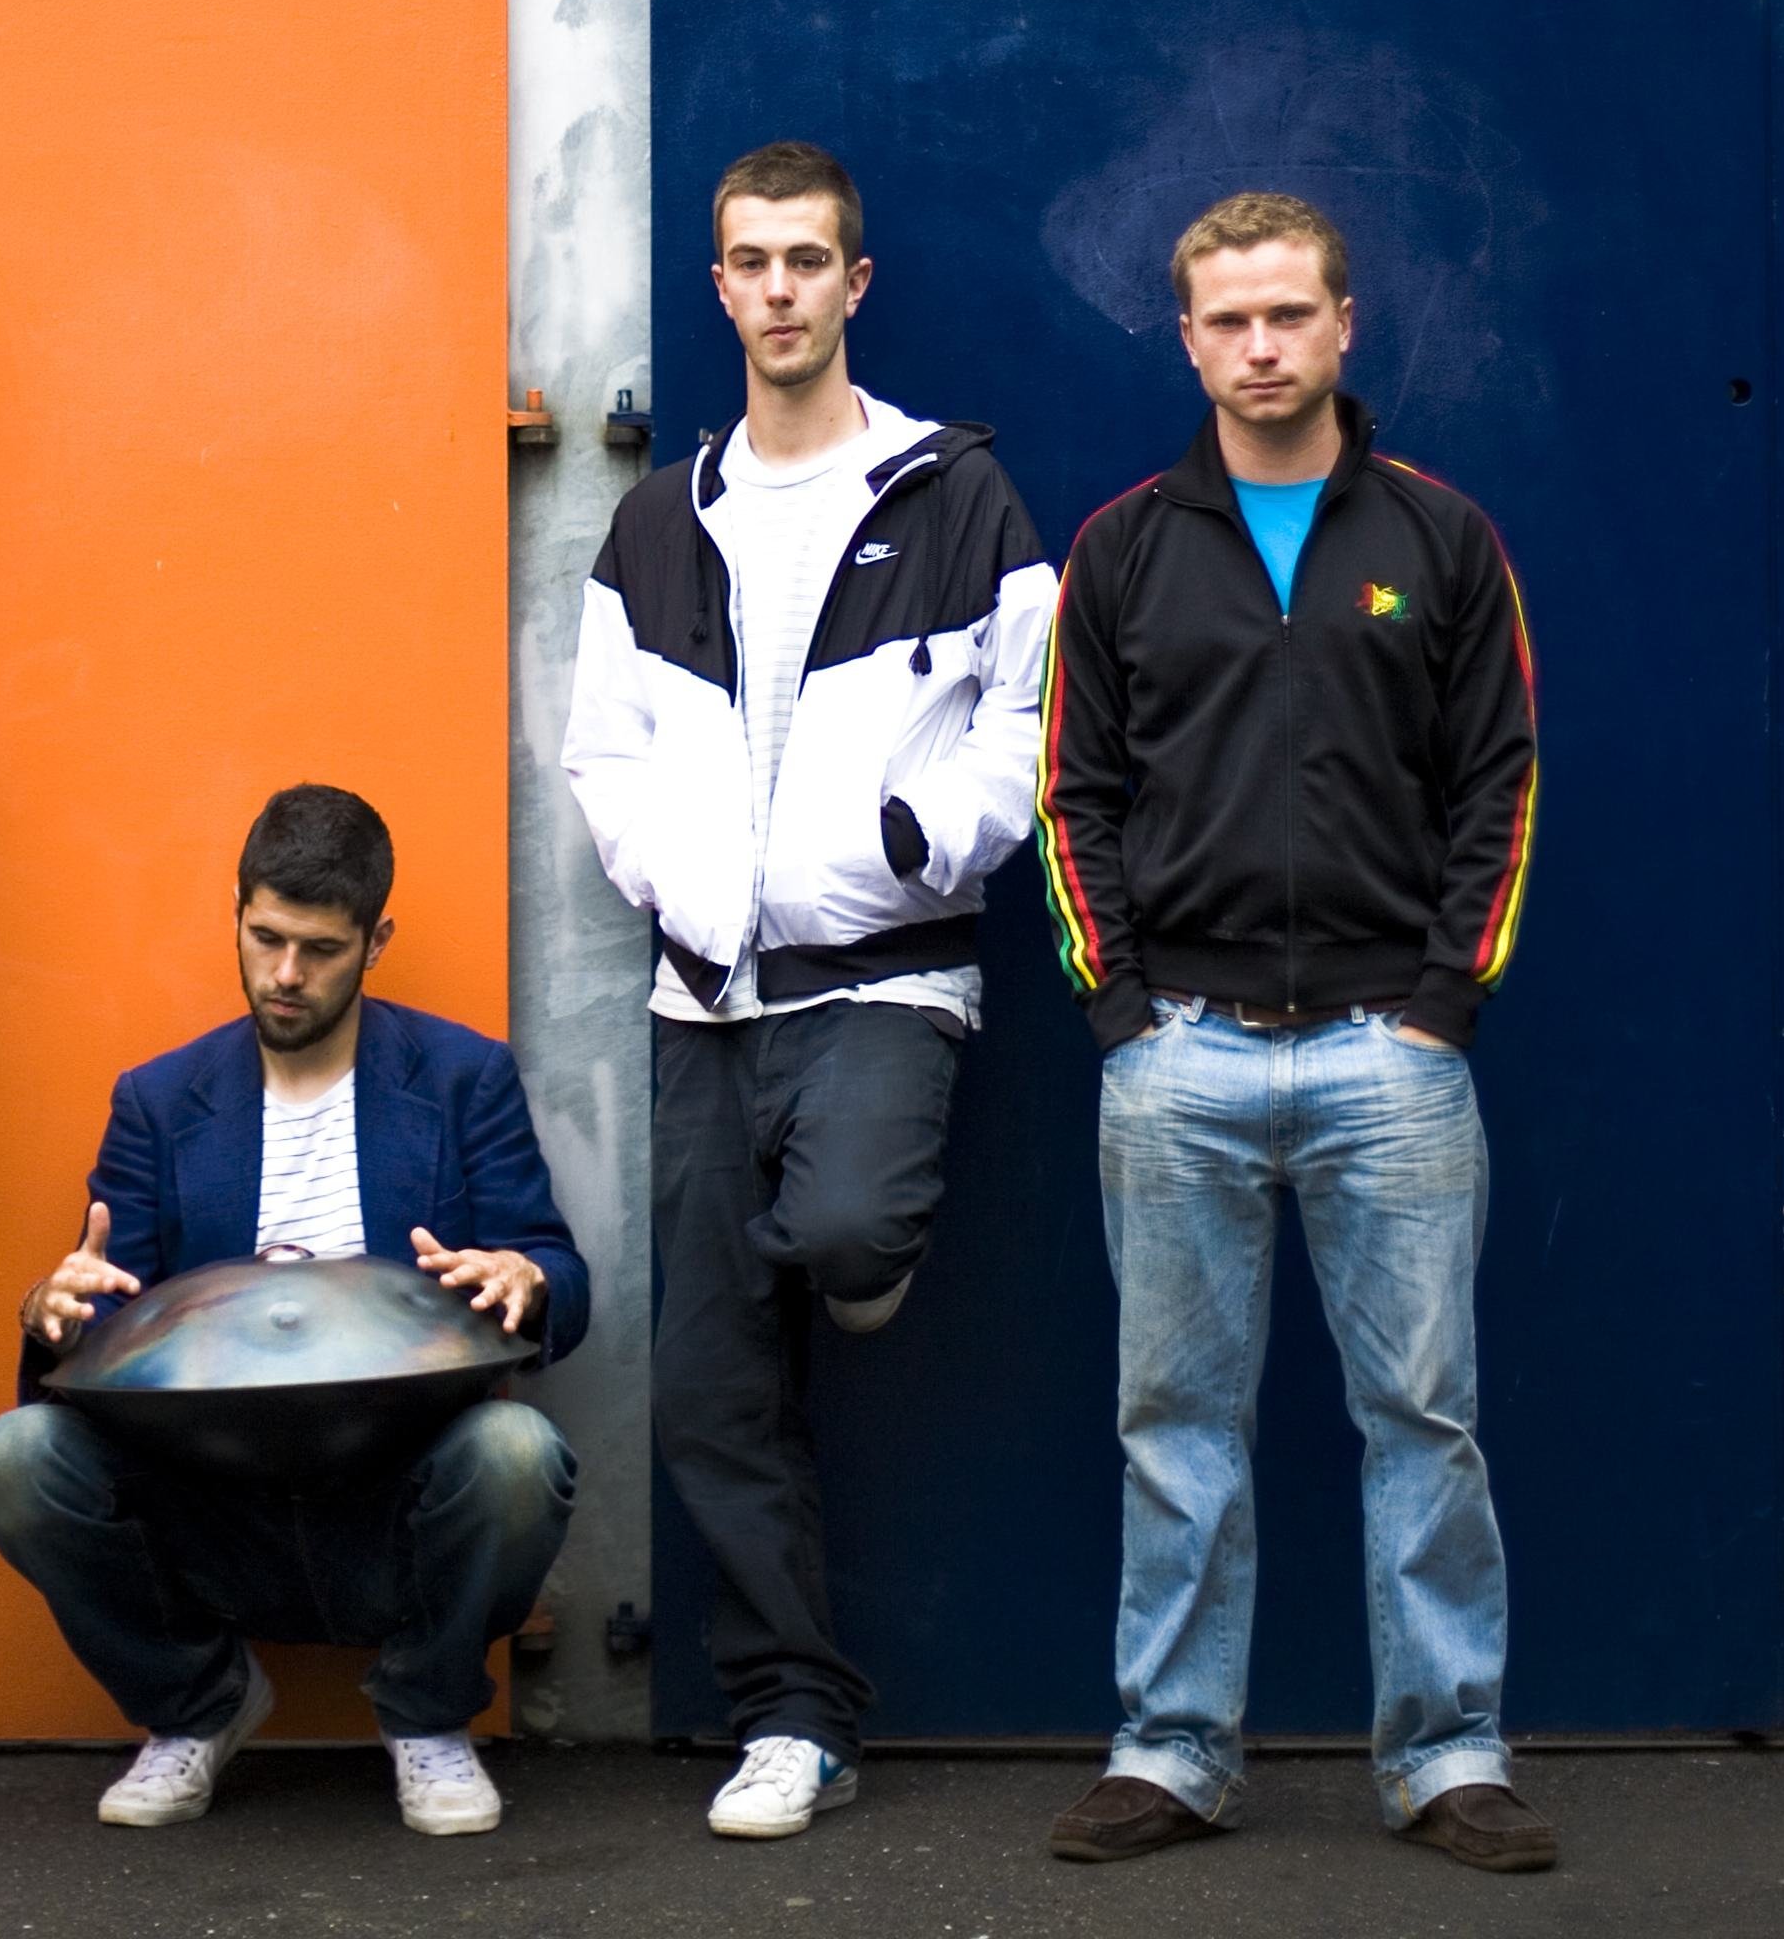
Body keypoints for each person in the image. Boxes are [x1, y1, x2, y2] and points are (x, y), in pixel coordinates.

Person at [1032, 191, 1549, 1873]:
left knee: (1423, 1417)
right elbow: (1070, 792)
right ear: (1188, 341)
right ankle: (1172, 1749)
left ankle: (1449, 1752)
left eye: (1287, 315)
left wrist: (1442, 1006)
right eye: (1228, 321)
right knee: (1177, 1420)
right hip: (1177, 1052)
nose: (1260, 346)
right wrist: (1119, 1008)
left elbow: (1499, 783)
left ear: (1344, 325)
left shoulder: (1440, 538)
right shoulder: (1121, 550)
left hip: (1387, 1057)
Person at [558, 139, 1053, 1840]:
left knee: (843, 1227)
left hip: (887, 972)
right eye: (751, 263)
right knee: (712, 1381)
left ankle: (853, 1262)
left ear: (856, 283)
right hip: (705, 995)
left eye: (807, 261)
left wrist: (924, 838)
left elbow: (1031, 718)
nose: (779, 290)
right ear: (719, 287)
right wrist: (671, 884)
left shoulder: (954, 494)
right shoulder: (657, 518)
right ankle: (793, 1715)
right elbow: (604, 750)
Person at [0, 785, 586, 1839]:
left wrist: (526, 1278)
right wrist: (51, 1309)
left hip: (400, 1487)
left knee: (520, 1451)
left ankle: (430, 1714)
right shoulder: (160, 1100)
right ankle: (196, 1705)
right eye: (266, 939)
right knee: (17, 1456)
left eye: (321, 948)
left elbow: (558, 1272)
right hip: (208, 1497)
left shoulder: (464, 1078)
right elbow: (104, 1318)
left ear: (375, 941)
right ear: (238, 913)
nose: (286, 974)